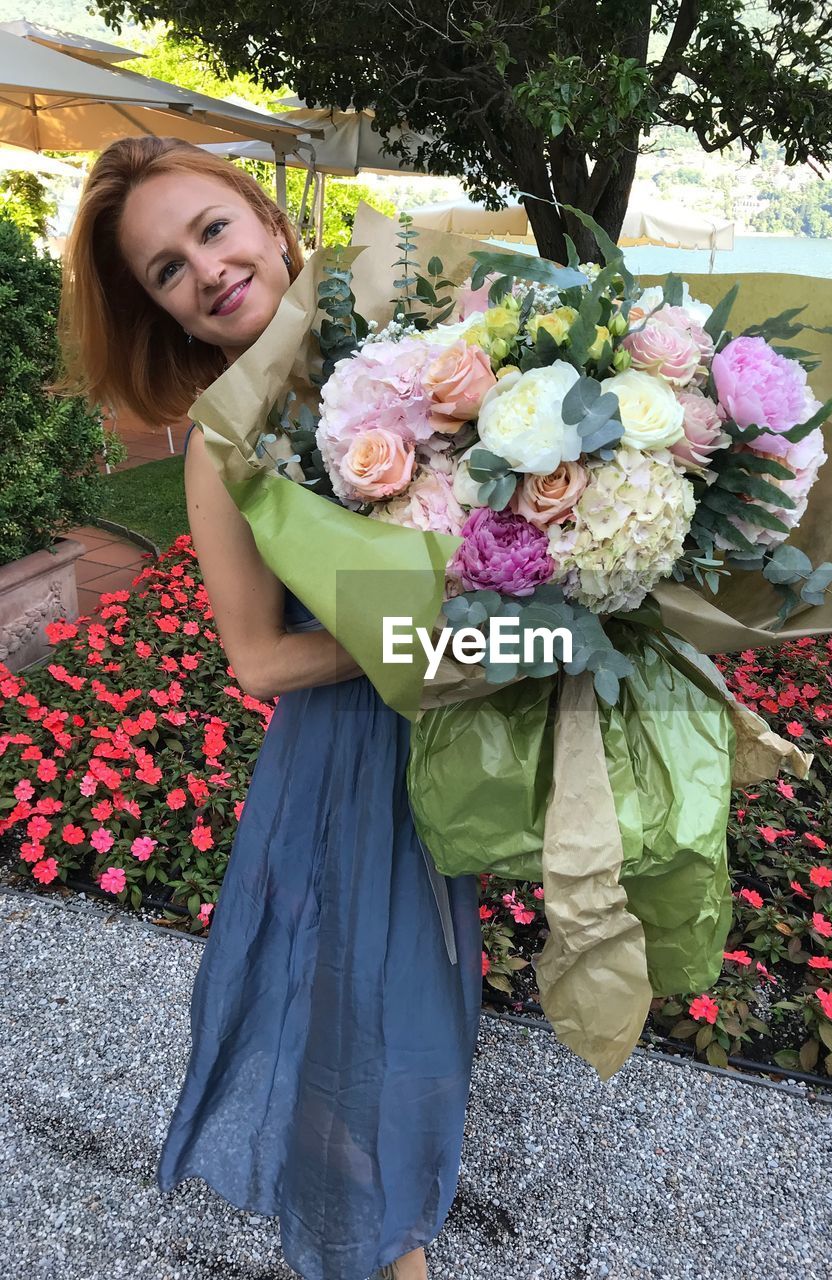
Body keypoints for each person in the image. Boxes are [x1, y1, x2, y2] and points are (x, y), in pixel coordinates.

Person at [55, 135, 483, 1280]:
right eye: (165, 273)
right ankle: (368, 1247)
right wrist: (412, 635)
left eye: (209, 229)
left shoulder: (420, 355)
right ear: (172, 317)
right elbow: (255, 660)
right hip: (345, 766)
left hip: (443, 734)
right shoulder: (224, 448)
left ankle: (394, 1214)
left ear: (267, 219)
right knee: (349, 1013)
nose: (203, 270)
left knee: (426, 997)